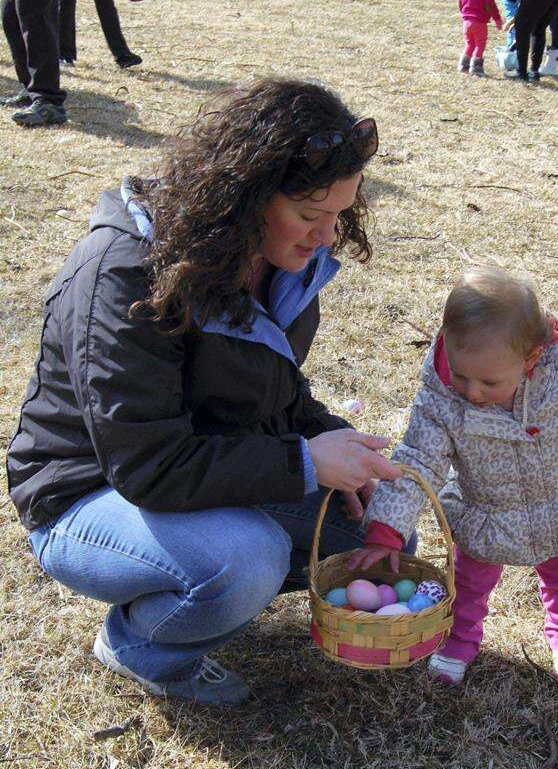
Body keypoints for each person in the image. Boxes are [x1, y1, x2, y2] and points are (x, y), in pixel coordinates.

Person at [6, 78, 407, 705]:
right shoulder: (124, 274)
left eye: (339, 215)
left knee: (374, 536)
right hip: (88, 492)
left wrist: (332, 441)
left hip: (201, 467)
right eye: (310, 216)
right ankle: (140, 646)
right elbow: (147, 465)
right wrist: (305, 463)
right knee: (245, 559)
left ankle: (207, 580)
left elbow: (275, 391)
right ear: (246, 198)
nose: (328, 237)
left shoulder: (275, 260)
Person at [348, 267, 558, 686]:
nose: (472, 391)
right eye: (461, 375)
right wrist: (387, 528)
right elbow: (417, 459)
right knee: (467, 583)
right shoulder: (443, 400)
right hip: (487, 510)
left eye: (488, 381)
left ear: (530, 359)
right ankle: (458, 640)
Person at [458, 0, 503, 77]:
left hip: (466, 22)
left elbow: (460, 2)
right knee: (480, 45)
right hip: (480, 23)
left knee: (469, 44)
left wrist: (464, 14)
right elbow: (491, 6)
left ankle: (463, 65)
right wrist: (497, 20)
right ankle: (476, 68)